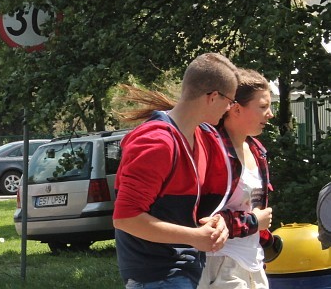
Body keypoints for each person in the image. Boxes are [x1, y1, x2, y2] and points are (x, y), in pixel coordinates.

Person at [113, 53, 238, 288]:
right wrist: (194, 237)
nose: (230, 108)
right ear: (213, 97)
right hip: (157, 277)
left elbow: (190, 211)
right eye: (230, 100)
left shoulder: (204, 137)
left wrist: (217, 222)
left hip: (185, 272)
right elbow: (125, 218)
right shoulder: (157, 142)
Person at [197, 69, 274, 288]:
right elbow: (201, 217)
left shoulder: (257, 149)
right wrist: (252, 222)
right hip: (219, 265)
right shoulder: (211, 150)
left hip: (254, 263)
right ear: (237, 109)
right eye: (262, 107)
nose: (270, 114)